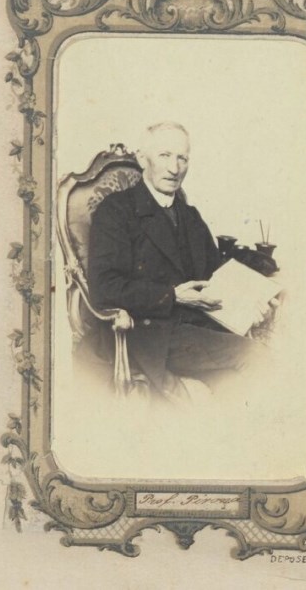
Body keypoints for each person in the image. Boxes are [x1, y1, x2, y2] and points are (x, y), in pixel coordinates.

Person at [87, 122, 271, 401]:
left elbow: (215, 276)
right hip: (147, 335)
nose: (174, 168)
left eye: (182, 158)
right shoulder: (116, 211)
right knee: (255, 356)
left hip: (193, 329)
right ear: (142, 159)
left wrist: (251, 301)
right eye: (164, 155)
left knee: (242, 384)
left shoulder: (190, 216)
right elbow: (104, 288)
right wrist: (172, 296)